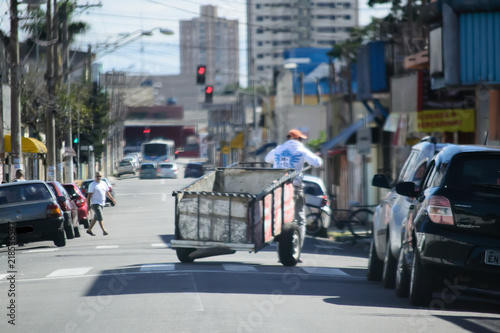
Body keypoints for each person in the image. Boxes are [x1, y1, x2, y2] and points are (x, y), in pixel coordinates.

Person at [265, 129, 323, 251]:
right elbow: (318, 163)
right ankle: (296, 250)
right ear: (298, 139)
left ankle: (281, 250)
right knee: (299, 219)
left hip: (277, 189)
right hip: (294, 188)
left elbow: (267, 159)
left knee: (279, 219)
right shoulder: (301, 150)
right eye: (301, 139)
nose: (302, 141)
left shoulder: (278, 149)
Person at [86, 171, 116, 236]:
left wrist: (112, 199)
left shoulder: (103, 183)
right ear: (95, 177)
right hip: (95, 203)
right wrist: (88, 206)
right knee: (100, 216)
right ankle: (104, 230)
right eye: (97, 176)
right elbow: (89, 196)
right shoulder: (92, 185)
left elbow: (107, 193)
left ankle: (89, 230)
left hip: (102, 203)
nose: (98, 177)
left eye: (100, 176)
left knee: (96, 217)